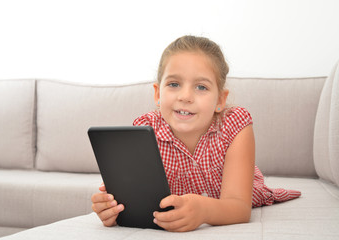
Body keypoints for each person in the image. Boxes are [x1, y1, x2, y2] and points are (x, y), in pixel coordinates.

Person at [91, 35, 301, 232]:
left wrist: (205, 210)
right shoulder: (145, 129)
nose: (185, 96)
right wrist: (113, 210)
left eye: (201, 87)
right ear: (157, 93)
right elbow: (138, 199)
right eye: (174, 84)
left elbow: (240, 208)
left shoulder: (235, 124)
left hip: (235, 196)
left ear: (220, 100)